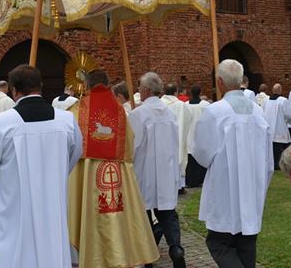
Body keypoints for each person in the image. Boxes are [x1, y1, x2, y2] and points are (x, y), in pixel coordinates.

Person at [0, 65, 82, 268]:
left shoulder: (0, 124)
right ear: (40, 86)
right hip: (52, 208)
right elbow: (74, 155)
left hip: (12, 211)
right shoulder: (66, 121)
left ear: (13, 90)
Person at [67, 69, 159, 268]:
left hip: (87, 175)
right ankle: (120, 253)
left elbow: (69, 146)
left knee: (88, 214)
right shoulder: (120, 110)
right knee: (118, 214)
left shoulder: (76, 110)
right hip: (117, 172)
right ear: (108, 85)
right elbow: (130, 142)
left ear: (86, 85)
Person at [192, 59, 273, 268]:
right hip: (252, 188)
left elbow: (202, 153)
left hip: (225, 189)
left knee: (218, 242)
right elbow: (268, 159)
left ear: (219, 82)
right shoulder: (258, 112)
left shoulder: (214, 112)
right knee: (246, 244)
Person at [129, 72, 186, 268]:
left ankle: (148, 259)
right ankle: (176, 248)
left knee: (144, 216)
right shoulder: (169, 113)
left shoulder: (138, 114)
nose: (138, 90)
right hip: (167, 170)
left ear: (145, 90)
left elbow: (132, 146)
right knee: (168, 214)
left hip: (145, 172)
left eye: (139, 87)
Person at [261, 82, 291, 169]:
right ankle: (280, 164)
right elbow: (288, 115)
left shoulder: (266, 101)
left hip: (269, 128)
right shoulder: (283, 100)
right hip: (280, 128)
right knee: (281, 148)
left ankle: (273, 164)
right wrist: (286, 121)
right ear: (280, 90)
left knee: (272, 148)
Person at [185, 84, 211, 187]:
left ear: (191, 93)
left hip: (189, 133)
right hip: (201, 134)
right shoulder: (205, 105)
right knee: (200, 158)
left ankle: (190, 181)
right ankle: (200, 179)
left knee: (190, 159)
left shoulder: (185, 105)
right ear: (200, 93)